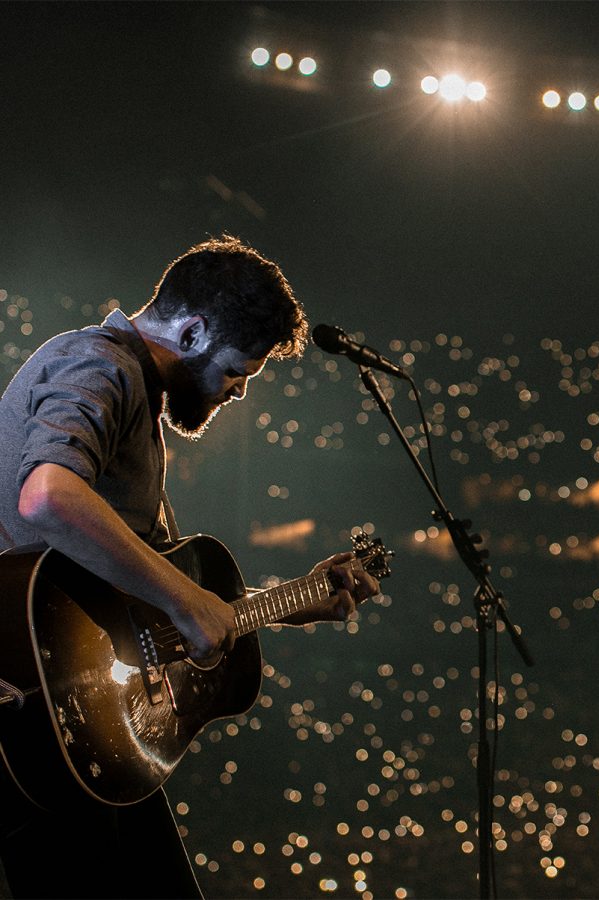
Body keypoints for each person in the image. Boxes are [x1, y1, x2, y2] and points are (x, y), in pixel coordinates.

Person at [0, 236, 380, 898]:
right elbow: (48, 494)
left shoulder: (133, 394)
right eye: (240, 370)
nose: (237, 392)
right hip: (36, 706)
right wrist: (184, 598)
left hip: (77, 718)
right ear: (193, 329)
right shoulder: (101, 366)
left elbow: (139, 600)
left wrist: (291, 602)